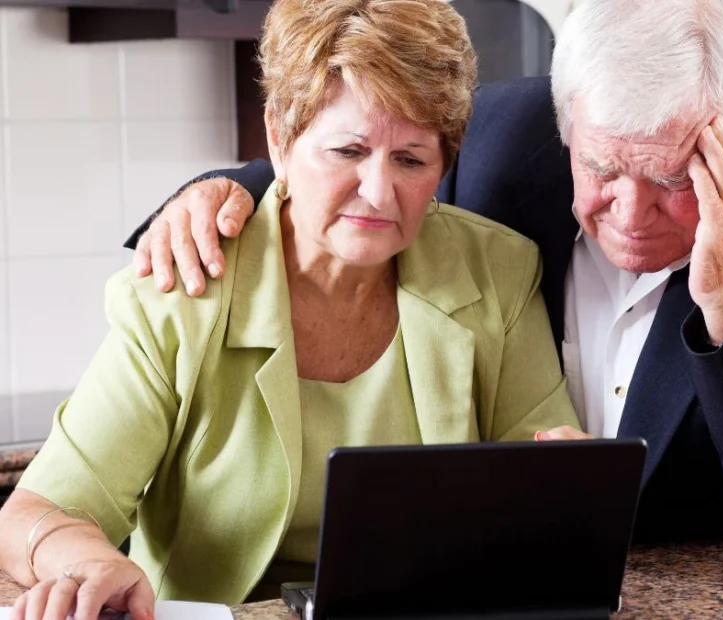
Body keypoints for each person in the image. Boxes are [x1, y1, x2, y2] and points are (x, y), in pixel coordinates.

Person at [130, 0, 723, 556]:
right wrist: (224, 189)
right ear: (566, 121)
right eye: (604, 168)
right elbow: (351, 171)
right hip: (490, 574)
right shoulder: (499, 142)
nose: (631, 213)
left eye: (676, 180)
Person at [0, 0, 581, 617]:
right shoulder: (187, 291)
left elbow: (545, 483)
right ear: (280, 138)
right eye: (348, 151)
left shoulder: (498, 270)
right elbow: (34, 513)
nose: (379, 192)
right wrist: (89, 561)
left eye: (410, 159)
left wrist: (564, 490)